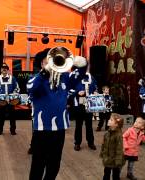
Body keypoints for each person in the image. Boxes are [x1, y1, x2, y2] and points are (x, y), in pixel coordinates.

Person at [27, 47, 86, 180]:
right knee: (38, 164)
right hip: (42, 129)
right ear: (42, 64)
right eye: (47, 61)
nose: (51, 63)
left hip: (59, 129)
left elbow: (80, 74)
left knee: (54, 165)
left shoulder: (65, 77)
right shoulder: (37, 79)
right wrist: (44, 73)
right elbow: (30, 88)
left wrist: (81, 63)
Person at [72, 63, 98, 151]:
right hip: (79, 103)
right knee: (78, 125)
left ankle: (91, 142)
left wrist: (95, 92)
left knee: (89, 124)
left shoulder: (91, 77)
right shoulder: (75, 77)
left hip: (89, 103)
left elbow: (95, 87)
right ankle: (77, 143)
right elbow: (70, 90)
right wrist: (77, 92)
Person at [0, 63, 20, 135]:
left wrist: (14, 95)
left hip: (11, 101)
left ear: (8, 69)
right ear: (0, 69)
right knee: (0, 116)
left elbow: (17, 88)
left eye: (5, 68)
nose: (4, 69)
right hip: (1, 101)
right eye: (3, 68)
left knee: (12, 116)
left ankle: (13, 130)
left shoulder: (12, 78)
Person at [100, 113, 125, 180]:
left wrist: (118, 161)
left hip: (115, 160)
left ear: (116, 124)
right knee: (106, 173)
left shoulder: (118, 135)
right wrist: (102, 153)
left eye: (111, 120)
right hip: (108, 159)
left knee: (116, 175)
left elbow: (119, 149)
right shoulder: (107, 133)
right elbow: (103, 144)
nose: (108, 120)